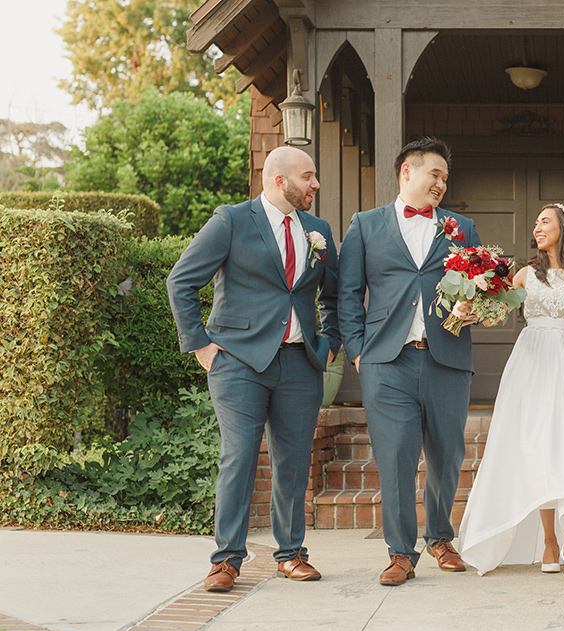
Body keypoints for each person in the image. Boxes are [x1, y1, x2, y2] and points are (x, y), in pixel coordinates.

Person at [166, 146, 340, 592]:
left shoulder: (318, 231)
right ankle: (226, 560)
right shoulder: (231, 220)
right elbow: (181, 280)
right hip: (239, 362)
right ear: (279, 180)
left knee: (294, 461)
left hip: (301, 364)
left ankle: (291, 553)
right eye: (308, 176)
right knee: (239, 457)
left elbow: (334, 298)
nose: (315, 185)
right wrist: (202, 347)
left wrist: (331, 344)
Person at [338, 137, 481, 586]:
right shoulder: (364, 225)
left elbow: (480, 284)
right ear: (406, 172)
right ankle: (401, 552)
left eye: (445, 178)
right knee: (396, 458)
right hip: (386, 361)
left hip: (447, 358)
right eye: (433, 174)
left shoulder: (462, 227)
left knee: (447, 454)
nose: (440, 183)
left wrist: (477, 306)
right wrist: (359, 351)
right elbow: (347, 295)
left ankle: (440, 537)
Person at [458, 203, 564, 576]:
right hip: (532, 365)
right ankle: (549, 542)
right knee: (540, 450)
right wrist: (469, 300)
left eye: (544, 221)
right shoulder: (525, 274)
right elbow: (490, 308)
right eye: (535, 223)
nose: (536, 228)